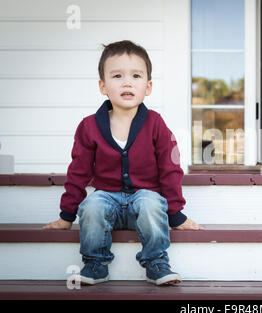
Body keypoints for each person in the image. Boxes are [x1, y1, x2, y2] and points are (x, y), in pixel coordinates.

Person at [43, 40, 203, 286]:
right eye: (117, 76)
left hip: (145, 198)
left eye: (136, 76)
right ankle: (95, 264)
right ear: (103, 86)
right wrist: (66, 215)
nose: (127, 82)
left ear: (148, 87)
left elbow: (170, 169)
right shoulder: (89, 126)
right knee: (92, 205)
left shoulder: (156, 123)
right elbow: (78, 172)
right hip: (108, 200)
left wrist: (176, 214)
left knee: (150, 202)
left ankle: (157, 262)